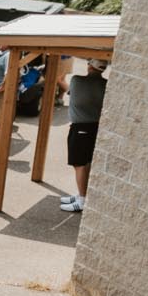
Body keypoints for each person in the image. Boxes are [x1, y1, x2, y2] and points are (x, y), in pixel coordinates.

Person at [63, 59, 107, 213]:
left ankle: (82, 199)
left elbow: (69, 92)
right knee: (86, 162)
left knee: (79, 164)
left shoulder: (77, 80)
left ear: (90, 66)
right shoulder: (106, 84)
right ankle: (81, 195)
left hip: (80, 127)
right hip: (95, 127)